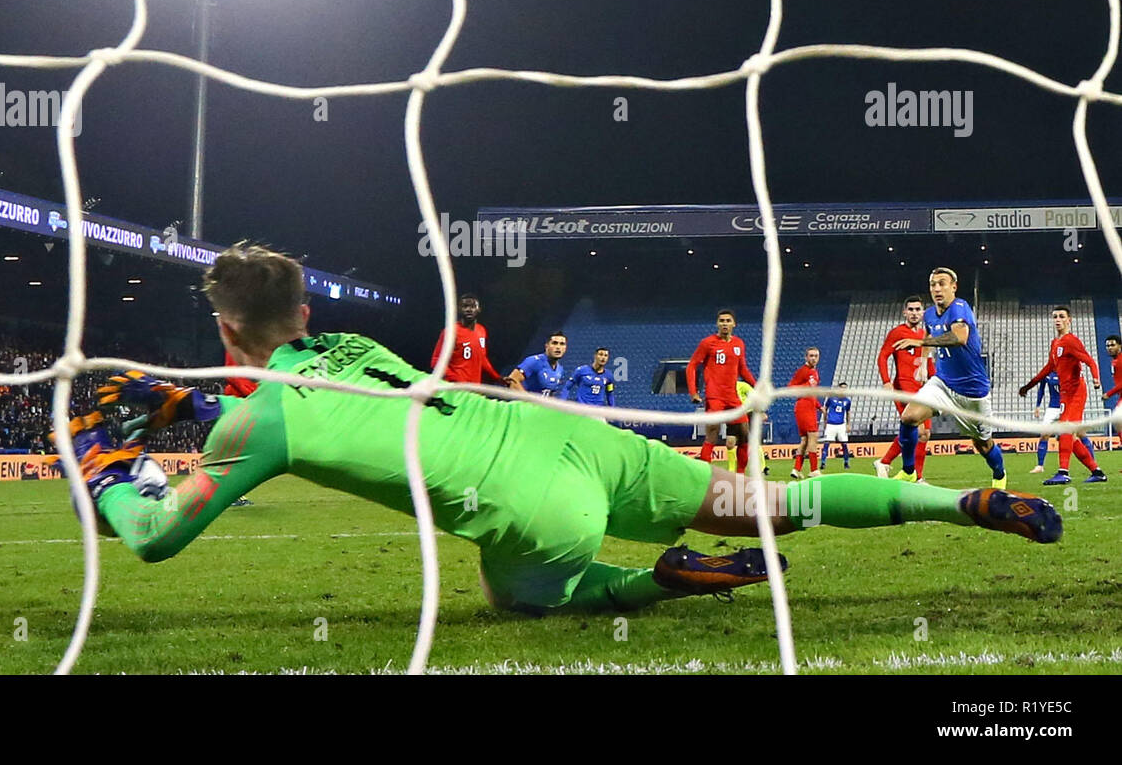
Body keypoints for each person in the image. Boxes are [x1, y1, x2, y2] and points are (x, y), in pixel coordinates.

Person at [70, 243, 1063, 620]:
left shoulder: (257, 416)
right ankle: (962, 499)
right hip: (573, 437)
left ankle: (658, 579)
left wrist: (109, 466)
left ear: (226, 330)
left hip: (541, 506)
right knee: (776, 500)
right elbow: (331, 399)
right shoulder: (362, 344)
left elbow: (154, 534)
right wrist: (197, 413)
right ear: (301, 312)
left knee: (515, 601)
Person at [892, 267, 1006, 487]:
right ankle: (908, 471)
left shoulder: (960, 307)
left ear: (954, 287)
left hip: (972, 392)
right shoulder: (929, 314)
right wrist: (924, 363)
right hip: (942, 384)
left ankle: (1000, 474)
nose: (937, 289)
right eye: (933, 284)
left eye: (942, 283)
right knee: (909, 417)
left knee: (983, 445)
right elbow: (928, 331)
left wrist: (921, 343)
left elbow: (960, 336)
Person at [1018, 306, 1106, 485]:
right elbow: (1048, 368)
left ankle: (1063, 472)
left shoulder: (1071, 341)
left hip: (1076, 391)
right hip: (1065, 394)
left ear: (1069, 320)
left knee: (1065, 429)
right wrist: (1029, 386)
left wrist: (1097, 379)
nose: (1057, 319)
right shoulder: (1055, 343)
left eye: (1061, 316)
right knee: (1068, 437)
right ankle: (1096, 472)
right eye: (1055, 317)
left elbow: (1089, 361)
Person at [873, 296, 934, 479]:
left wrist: (937, 380)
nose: (914, 313)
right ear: (904, 312)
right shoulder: (897, 332)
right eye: (911, 310)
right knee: (919, 429)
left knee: (925, 434)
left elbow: (928, 362)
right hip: (904, 386)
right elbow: (883, 356)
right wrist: (886, 381)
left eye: (918, 309)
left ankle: (915, 476)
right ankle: (886, 463)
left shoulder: (925, 335)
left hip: (923, 388)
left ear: (923, 312)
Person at [687, 310, 756, 464]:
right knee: (712, 433)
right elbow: (691, 366)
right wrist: (693, 392)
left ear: (734, 324)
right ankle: (706, 477)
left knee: (744, 433)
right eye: (722, 321)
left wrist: (757, 386)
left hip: (732, 396)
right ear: (717, 324)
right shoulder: (707, 343)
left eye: (728, 320)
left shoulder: (739, 343)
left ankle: (740, 476)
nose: (725, 323)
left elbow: (742, 369)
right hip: (714, 396)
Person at [430, 293, 504, 386]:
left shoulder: (481, 330)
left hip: (474, 388)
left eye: (473, 306)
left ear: (479, 309)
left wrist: (497, 377)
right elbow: (436, 361)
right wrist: (455, 379)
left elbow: (482, 358)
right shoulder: (450, 331)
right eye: (465, 306)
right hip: (455, 389)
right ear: (459, 309)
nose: (469, 309)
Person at [789, 347, 822, 479]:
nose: (814, 358)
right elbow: (791, 388)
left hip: (809, 406)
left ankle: (796, 469)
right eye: (811, 356)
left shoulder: (814, 372)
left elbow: (812, 393)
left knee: (805, 440)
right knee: (813, 437)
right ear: (806, 358)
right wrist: (807, 385)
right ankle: (814, 469)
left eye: (816, 356)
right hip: (805, 407)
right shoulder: (803, 371)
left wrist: (820, 407)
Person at [820, 382, 852, 472]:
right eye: (842, 388)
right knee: (826, 444)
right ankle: (823, 462)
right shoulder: (831, 398)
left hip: (841, 425)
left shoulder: (847, 401)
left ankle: (846, 462)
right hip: (831, 424)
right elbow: (825, 409)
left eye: (845, 388)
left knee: (844, 444)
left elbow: (848, 412)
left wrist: (848, 424)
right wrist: (825, 421)